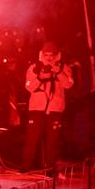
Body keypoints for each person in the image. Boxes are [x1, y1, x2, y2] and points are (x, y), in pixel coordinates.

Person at [21, 41, 74, 171]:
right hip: (36, 110)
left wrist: (58, 73)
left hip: (55, 110)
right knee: (31, 141)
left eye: (52, 55)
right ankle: (25, 169)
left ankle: (50, 170)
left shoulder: (64, 68)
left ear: (56, 55)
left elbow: (69, 84)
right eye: (46, 55)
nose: (49, 58)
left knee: (53, 143)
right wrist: (40, 77)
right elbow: (28, 86)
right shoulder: (34, 67)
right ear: (42, 55)